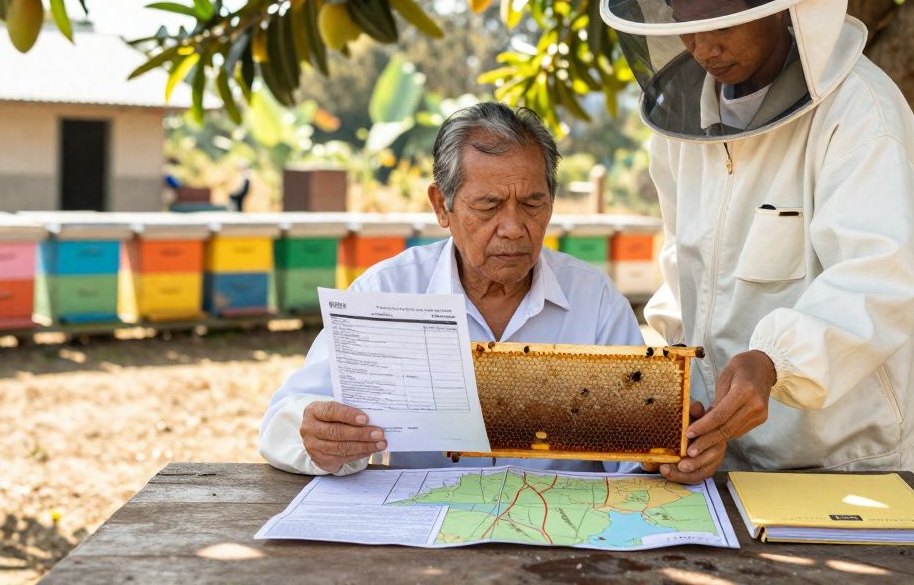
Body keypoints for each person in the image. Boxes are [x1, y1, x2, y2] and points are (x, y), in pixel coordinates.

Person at [599, 0, 914, 482]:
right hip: (716, 453)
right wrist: (677, 392)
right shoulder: (680, 124)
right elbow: (684, 268)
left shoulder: (860, 114)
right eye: (687, 30)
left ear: (782, 2)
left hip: (835, 459)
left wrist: (773, 361)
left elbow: (876, 278)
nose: (703, 49)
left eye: (721, 27)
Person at [259, 102, 644, 476]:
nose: (512, 227)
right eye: (488, 205)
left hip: (560, 531)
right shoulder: (386, 293)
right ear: (442, 205)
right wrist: (318, 436)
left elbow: (639, 446)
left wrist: (666, 453)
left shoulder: (595, 301)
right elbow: (283, 420)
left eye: (532, 203)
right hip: (421, 527)